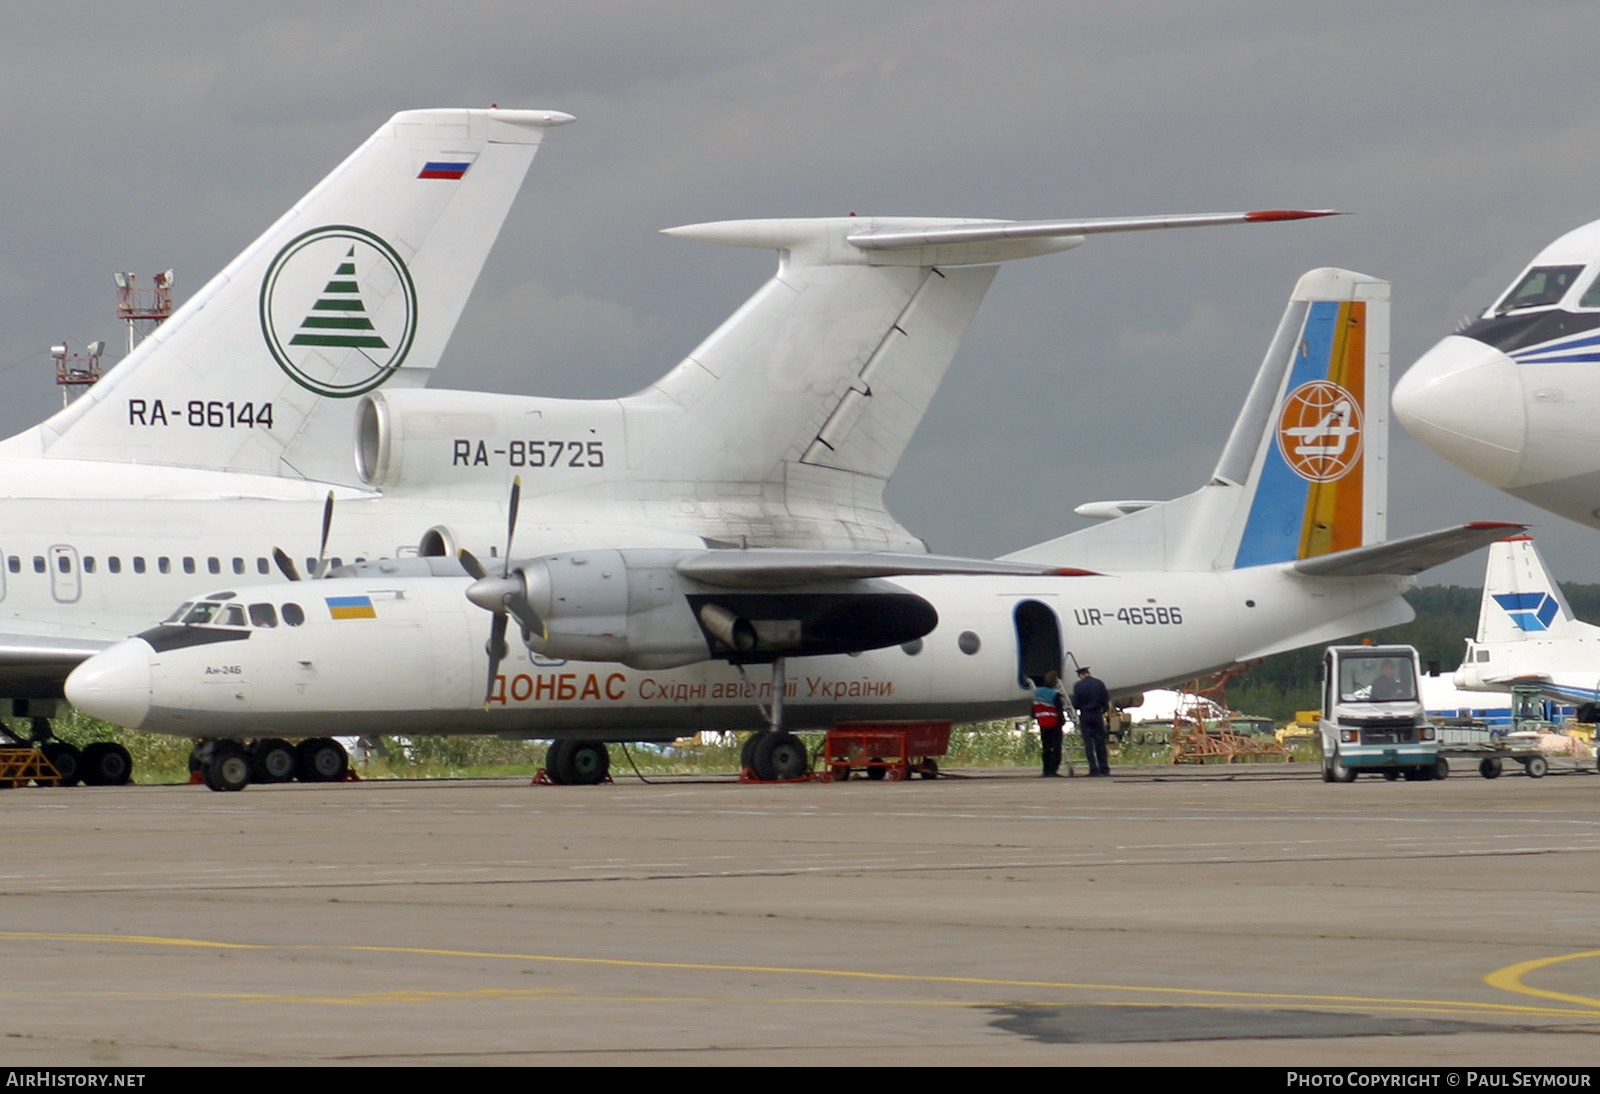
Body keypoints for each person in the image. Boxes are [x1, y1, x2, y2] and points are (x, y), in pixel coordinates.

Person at [1071, 666, 1111, 777]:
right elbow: (1105, 699)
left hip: (1085, 715)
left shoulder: (1078, 686)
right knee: (1100, 742)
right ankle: (1104, 768)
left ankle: (1093, 769)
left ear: (1081, 675)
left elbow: (1075, 704)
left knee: (1088, 744)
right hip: (1097, 714)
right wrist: (1103, 710)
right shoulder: (1099, 684)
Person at [1032, 671, 1066, 777]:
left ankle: (1046, 770)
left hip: (1043, 723)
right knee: (1056, 747)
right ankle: (1053, 770)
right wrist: (1062, 721)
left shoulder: (1037, 692)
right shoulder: (1055, 695)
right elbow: (1059, 710)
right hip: (1054, 723)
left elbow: (1033, 710)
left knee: (1046, 747)